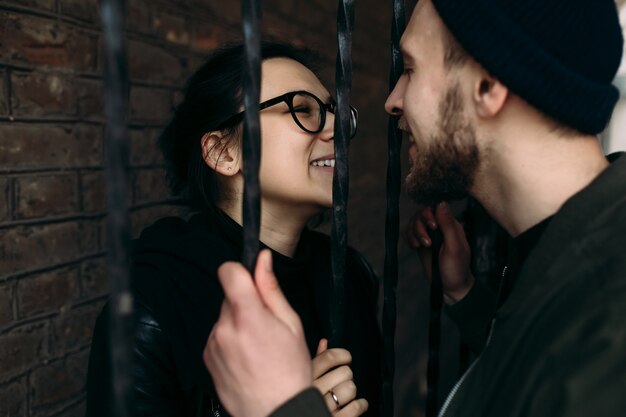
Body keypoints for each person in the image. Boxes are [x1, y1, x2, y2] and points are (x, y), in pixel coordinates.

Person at [202, 0, 626, 417]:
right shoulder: (564, 257)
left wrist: (285, 411)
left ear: (487, 84)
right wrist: (468, 300)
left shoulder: (609, 312)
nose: (392, 100)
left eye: (410, 69)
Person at [84, 42, 382, 417]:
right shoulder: (152, 305)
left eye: (335, 113)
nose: (336, 130)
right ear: (224, 154)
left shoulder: (350, 276)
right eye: (303, 109)